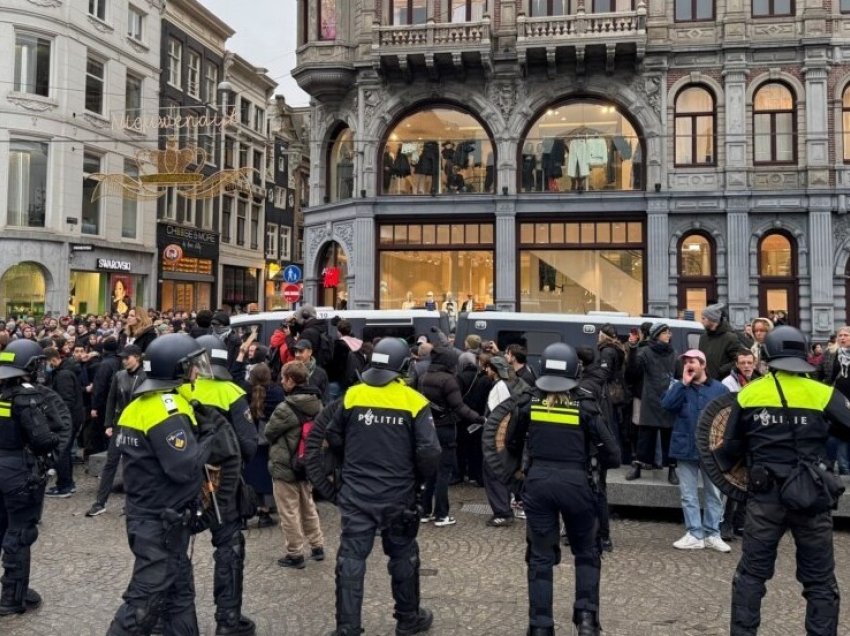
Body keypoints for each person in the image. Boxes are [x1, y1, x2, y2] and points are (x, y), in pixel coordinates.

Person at [715, 326, 850, 636]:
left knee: (751, 576)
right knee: (820, 580)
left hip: (765, 500)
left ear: (769, 355)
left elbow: (730, 447)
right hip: (811, 496)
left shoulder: (750, 393)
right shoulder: (823, 393)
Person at [325, 337, 441, 636]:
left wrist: (348, 463)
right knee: (403, 555)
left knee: (350, 559)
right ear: (404, 366)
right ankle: (408, 618)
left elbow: (332, 435)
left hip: (356, 493)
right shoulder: (414, 401)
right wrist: (419, 481)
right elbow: (430, 452)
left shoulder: (352, 395)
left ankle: (347, 628)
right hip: (399, 494)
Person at [106, 334, 218, 635]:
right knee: (143, 603)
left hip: (154, 514)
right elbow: (183, 467)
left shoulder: (139, 404)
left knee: (179, 593)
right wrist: (209, 437)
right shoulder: (167, 409)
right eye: (192, 366)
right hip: (160, 520)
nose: (196, 371)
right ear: (177, 369)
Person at [524, 342, 619, 636]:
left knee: (539, 557)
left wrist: (519, 480)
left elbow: (507, 444)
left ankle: (541, 627)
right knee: (587, 553)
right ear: (575, 372)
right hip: (578, 486)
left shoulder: (527, 403)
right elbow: (614, 455)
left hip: (538, 484)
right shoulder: (587, 407)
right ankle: (587, 621)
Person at [179, 335, 258, 636]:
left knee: (173, 546)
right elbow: (249, 444)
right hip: (222, 480)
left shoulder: (179, 389)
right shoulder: (230, 392)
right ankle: (228, 620)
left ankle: (166, 615)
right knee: (229, 547)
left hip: (182, 478)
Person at [0, 340, 62, 615]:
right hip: (16, 471)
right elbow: (43, 440)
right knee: (20, 533)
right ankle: (12, 597)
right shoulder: (26, 397)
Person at [661, 349, 730, 552]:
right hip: (685, 447)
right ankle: (694, 533)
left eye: (692, 361)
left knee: (714, 494)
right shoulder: (679, 386)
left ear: (703, 364)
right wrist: (682, 384)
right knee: (688, 494)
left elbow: (726, 416)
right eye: (686, 362)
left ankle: (712, 533)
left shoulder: (719, 389)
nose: (689, 365)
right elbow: (666, 405)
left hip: (712, 451)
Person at [265, 361, 325, 569]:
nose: (281, 382)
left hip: (286, 465)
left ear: (291, 380)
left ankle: (295, 553)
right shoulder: (317, 403)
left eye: (283, 378)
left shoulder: (286, 407)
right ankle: (317, 546)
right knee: (308, 505)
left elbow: (269, 432)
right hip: (307, 463)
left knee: (289, 510)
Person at [419, 343, 484, 527]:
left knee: (429, 472)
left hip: (428, 429)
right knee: (443, 474)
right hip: (446, 429)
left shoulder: (424, 377)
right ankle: (442, 514)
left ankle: (425, 511)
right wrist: (479, 418)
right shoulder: (448, 380)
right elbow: (459, 407)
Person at [86, 344, 147, 517]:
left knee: (134, 464)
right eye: (123, 358)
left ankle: (131, 504)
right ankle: (100, 502)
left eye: (127, 357)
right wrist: (108, 425)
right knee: (110, 463)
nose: (124, 360)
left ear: (137, 357)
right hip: (120, 424)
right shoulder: (119, 375)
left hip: (137, 426)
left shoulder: (144, 377)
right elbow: (111, 400)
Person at [626, 323, 677, 483]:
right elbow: (632, 372)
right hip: (650, 399)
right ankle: (638, 466)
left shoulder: (673, 353)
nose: (669, 335)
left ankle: (672, 469)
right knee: (645, 437)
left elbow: (679, 373)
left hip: (668, 398)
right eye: (665, 333)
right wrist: (633, 348)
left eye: (669, 332)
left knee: (669, 437)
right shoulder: (645, 352)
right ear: (656, 335)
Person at [42, 347, 85, 498]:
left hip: (68, 419)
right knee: (64, 451)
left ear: (53, 360)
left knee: (61, 451)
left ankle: (64, 486)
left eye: (46, 362)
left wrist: (58, 420)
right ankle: (67, 483)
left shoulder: (63, 375)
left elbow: (65, 400)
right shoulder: (65, 371)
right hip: (72, 417)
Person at [698, 303, 741, 381]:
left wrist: (721, 370)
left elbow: (739, 360)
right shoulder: (703, 338)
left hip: (723, 382)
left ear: (712, 319)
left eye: (703, 318)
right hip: (705, 382)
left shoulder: (730, 338)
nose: (701, 321)